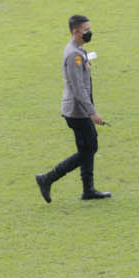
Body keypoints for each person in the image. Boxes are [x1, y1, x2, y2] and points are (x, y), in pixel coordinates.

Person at [35, 14, 110, 202]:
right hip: (77, 112)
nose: (89, 33)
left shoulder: (78, 50)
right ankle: (48, 178)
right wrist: (92, 113)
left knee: (87, 147)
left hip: (78, 110)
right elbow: (78, 89)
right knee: (89, 148)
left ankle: (88, 190)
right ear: (75, 32)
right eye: (86, 30)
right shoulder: (73, 54)